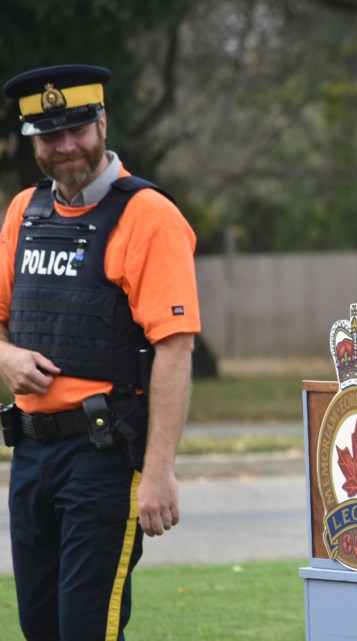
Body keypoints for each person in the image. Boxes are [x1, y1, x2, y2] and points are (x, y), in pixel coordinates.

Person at [0, 64, 201, 640]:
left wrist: (158, 472)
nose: (65, 147)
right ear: (33, 142)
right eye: (49, 136)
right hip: (31, 459)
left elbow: (175, 348)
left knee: (85, 629)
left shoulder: (148, 216)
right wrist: (6, 358)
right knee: (40, 628)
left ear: (103, 123)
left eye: (77, 131)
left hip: (104, 459)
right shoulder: (24, 212)